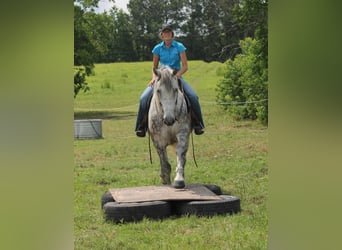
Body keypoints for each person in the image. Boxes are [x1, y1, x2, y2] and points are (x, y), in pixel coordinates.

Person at [135, 25, 205, 137]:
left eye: (169, 33)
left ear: (172, 34)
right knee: (143, 98)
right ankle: (140, 126)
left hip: (175, 76)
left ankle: (198, 124)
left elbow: (185, 66)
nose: (167, 35)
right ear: (162, 35)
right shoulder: (157, 48)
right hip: (161, 78)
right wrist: (153, 78)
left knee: (193, 96)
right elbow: (154, 67)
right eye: (164, 33)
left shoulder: (179, 47)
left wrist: (177, 75)